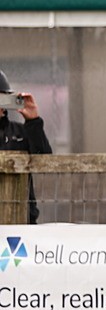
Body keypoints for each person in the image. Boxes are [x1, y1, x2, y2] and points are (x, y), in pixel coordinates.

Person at [0, 70, 52, 224]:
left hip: (21, 224)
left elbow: (45, 161)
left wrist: (33, 121)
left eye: (4, 97)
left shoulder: (21, 132)